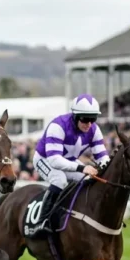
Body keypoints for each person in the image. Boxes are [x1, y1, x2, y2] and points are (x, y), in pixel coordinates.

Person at [27, 93, 110, 236]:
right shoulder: (58, 126)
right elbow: (55, 160)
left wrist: (106, 169)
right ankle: (42, 221)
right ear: (75, 116)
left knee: (90, 180)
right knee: (59, 180)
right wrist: (83, 168)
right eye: (85, 119)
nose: (89, 124)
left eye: (93, 119)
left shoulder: (94, 130)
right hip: (45, 159)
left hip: (69, 160)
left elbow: (103, 157)